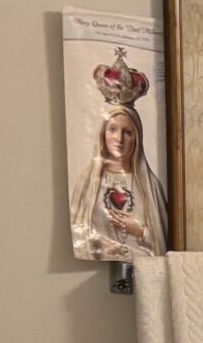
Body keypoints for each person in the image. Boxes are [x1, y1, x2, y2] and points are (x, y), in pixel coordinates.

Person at [72, 103, 168, 258]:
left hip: (142, 270)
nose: (119, 139)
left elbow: (163, 243)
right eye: (113, 129)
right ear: (103, 134)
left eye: (128, 132)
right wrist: (98, 243)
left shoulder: (151, 187)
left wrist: (141, 232)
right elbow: (77, 235)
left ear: (137, 138)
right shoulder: (87, 183)